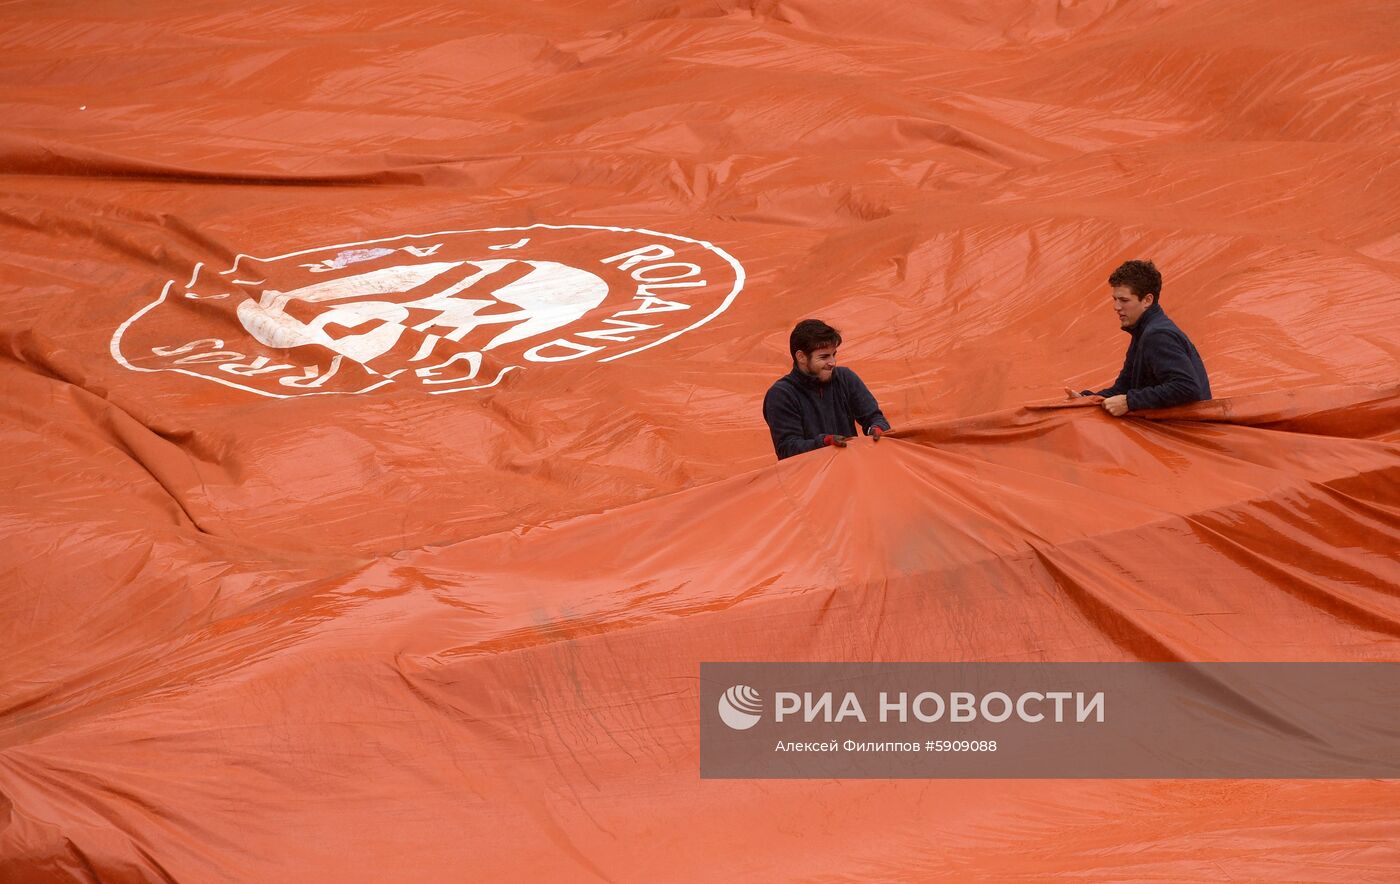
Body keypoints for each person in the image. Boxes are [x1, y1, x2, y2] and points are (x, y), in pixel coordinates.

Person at [1066, 260, 1210, 416]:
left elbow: (1187, 388)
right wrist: (1087, 399)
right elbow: (1124, 387)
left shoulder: (1158, 335)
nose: (1116, 307)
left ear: (1147, 300)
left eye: (1124, 300)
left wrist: (1130, 402)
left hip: (1183, 434)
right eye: (1115, 299)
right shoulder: (1142, 332)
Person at [763, 319, 891, 460]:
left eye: (833, 354)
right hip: (810, 478)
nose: (832, 363)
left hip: (851, 469)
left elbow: (873, 417)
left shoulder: (845, 378)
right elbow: (788, 448)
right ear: (801, 357)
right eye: (824, 357)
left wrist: (877, 428)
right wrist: (825, 443)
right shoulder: (781, 395)